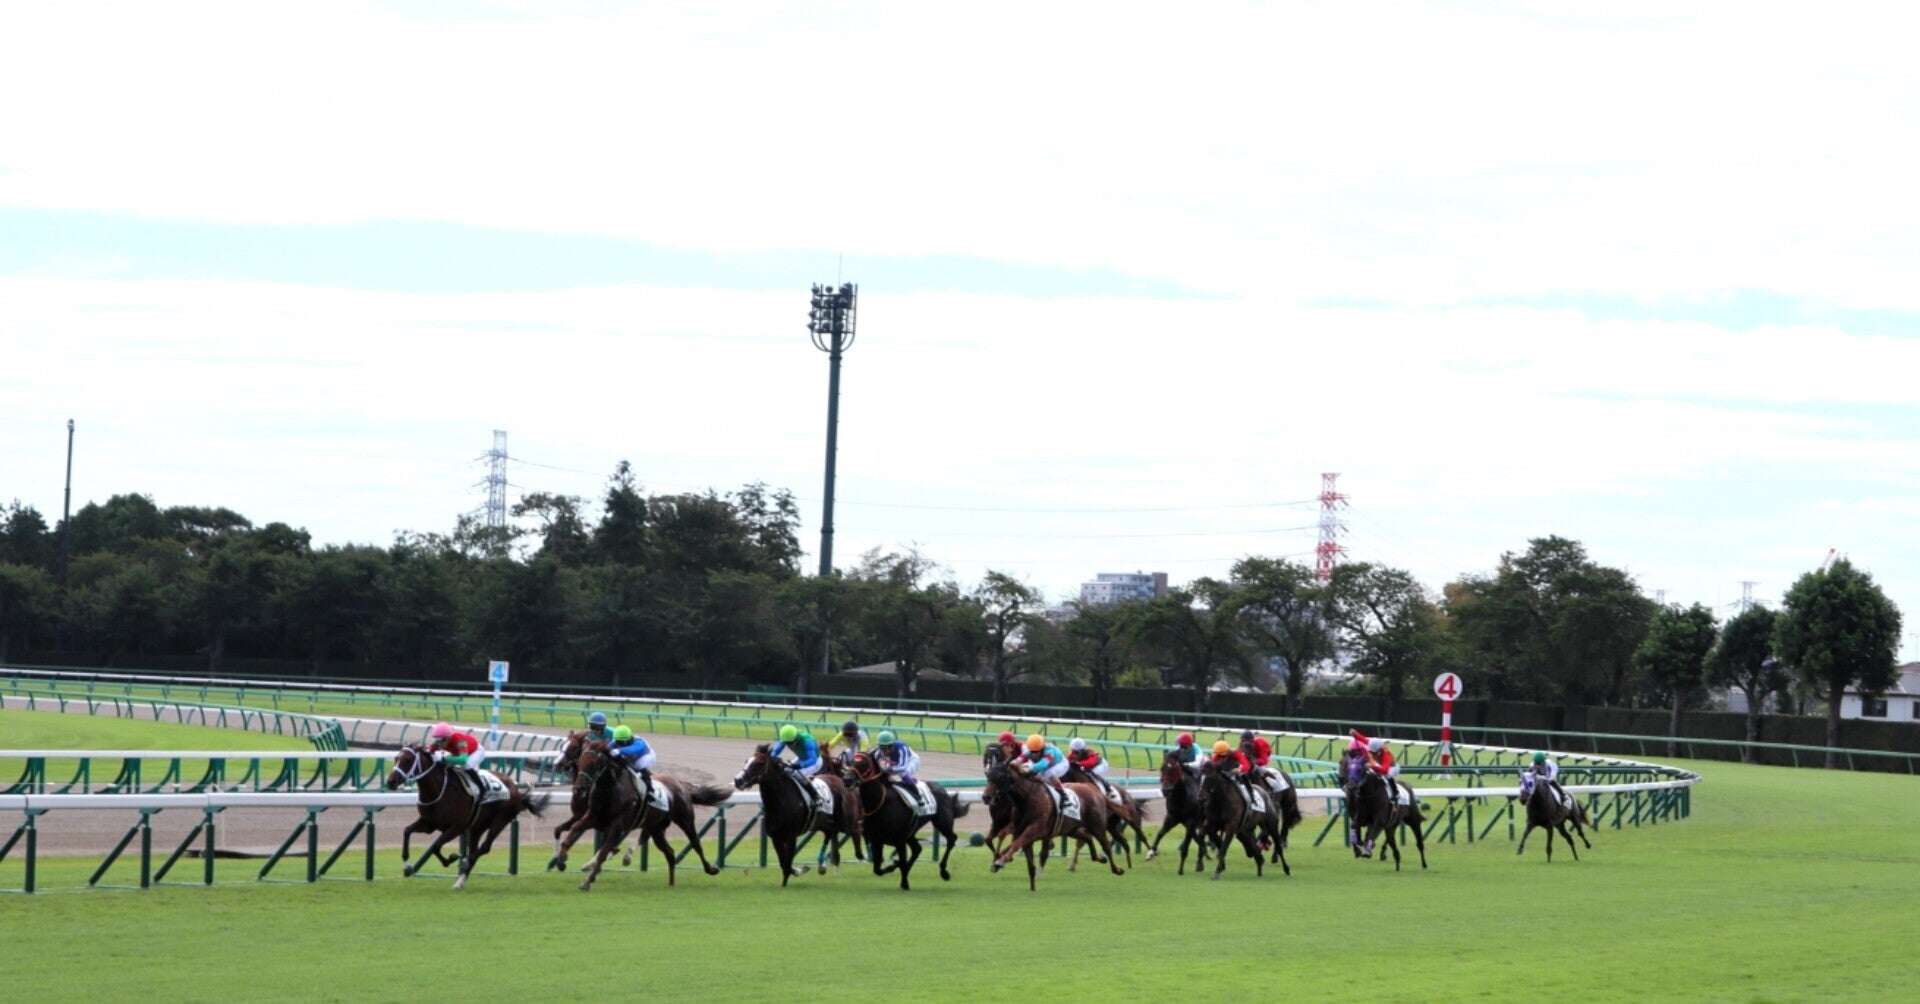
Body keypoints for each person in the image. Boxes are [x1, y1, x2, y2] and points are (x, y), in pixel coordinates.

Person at [873, 730, 928, 814]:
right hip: (895, 763)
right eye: (881, 747)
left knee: (903, 773)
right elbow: (872, 760)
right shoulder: (879, 751)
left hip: (911, 761)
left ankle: (917, 796)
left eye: (886, 747)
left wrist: (889, 769)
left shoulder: (901, 747)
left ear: (892, 745)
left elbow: (902, 767)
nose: (883, 751)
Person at [428, 721, 487, 793]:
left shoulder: (459, 740)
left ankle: (482, 789)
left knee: (466, 765)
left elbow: (463, 760)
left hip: (476, 751)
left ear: (449, 737)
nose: (439, 743)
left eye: (442, 740)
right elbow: (429, 752)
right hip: (461, 753)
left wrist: (444, 758)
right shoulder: (439, 741)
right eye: (437, 739)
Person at [606, 725, 656, 792]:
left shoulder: (639, 742)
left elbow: (632, 750)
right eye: (617, 742)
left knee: (639, 765)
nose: (619, 744)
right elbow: (607, 747)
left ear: (628, 739)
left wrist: (619, 751)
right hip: (632, 757)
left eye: (621, 742)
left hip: (645, 756)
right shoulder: (617, 741)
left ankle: (649, 789)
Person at [1068, 737, 1119, 802]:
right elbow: (1068, 760)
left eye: (1076, 752)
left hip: (1101, 765)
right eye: (1073, 751)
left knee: (1093, 772)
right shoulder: (1073, 753)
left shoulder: (1089, 752)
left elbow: (1091, 762)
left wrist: (1079, 763)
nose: (1074, 753)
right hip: (1088, 765)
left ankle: (1108, 789)